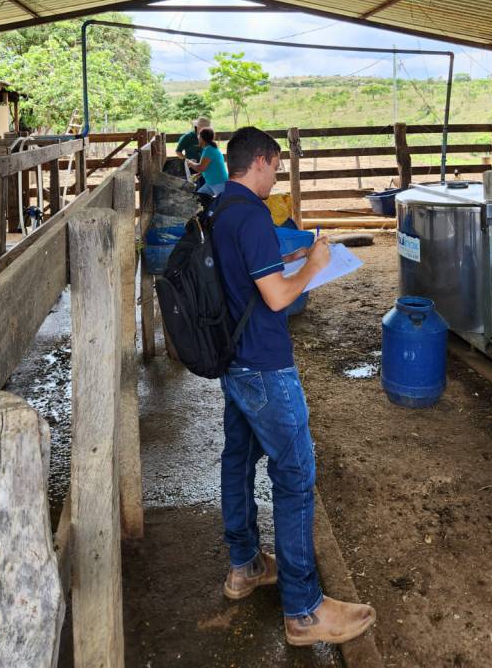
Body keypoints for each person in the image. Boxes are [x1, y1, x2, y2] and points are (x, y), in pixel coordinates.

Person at [211, 126, 376, 646]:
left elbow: (247, 277)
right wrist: (313, 264)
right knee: (296, 473)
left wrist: (285, 265)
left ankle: (245, 567)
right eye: (276, 165)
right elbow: (280, 298)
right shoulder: (254, 216)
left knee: (237, 460)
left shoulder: (218, 209)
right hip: (263, 363)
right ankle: (304, 610)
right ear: (260, 161)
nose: (277, 174)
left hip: (233, 361)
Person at [187, 127, 228, 197]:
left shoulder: (209, 150)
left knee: (224, 204)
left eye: (199, 138)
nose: (198, 140)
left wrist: (190, 163)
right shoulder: (210, 148)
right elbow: (208, 167)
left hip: (218, 182)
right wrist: (198, 175)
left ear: (202, 139)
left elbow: (201, 168)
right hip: (211, 183)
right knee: (197, 198)